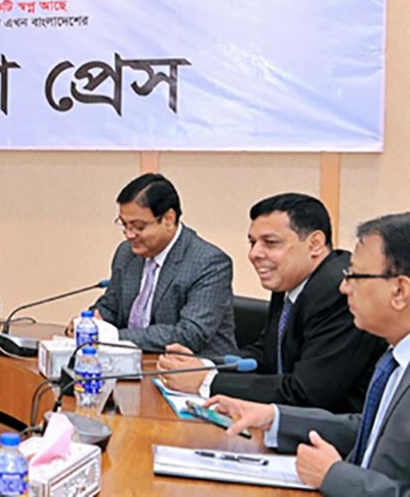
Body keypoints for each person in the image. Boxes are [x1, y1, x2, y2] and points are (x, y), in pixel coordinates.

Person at [205, 213, 410, 496]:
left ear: (400, 290)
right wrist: (274, 417)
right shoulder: (395, 359)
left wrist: (334, 476)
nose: (343, 287)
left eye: (354, 275)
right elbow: (372, 431)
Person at [158, 194, 385, 413]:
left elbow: (306, 393)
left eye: (270, 243)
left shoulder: (338, 292)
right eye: (253, 242)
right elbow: (267, 356)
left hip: (331, 439)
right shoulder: (292, 280)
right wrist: (206, 365)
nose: (254, 254)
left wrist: (208, 381)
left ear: (315, 243)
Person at [69, 173, 236, 355]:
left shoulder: (209, 263)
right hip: (137, 364)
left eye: (139, 226)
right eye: (124, 225)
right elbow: (111, 306)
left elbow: (189, 335)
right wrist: (90, 324)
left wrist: (113, 337)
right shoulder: (127, 253)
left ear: (168, 219)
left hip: (198, 371)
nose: (129, 234)